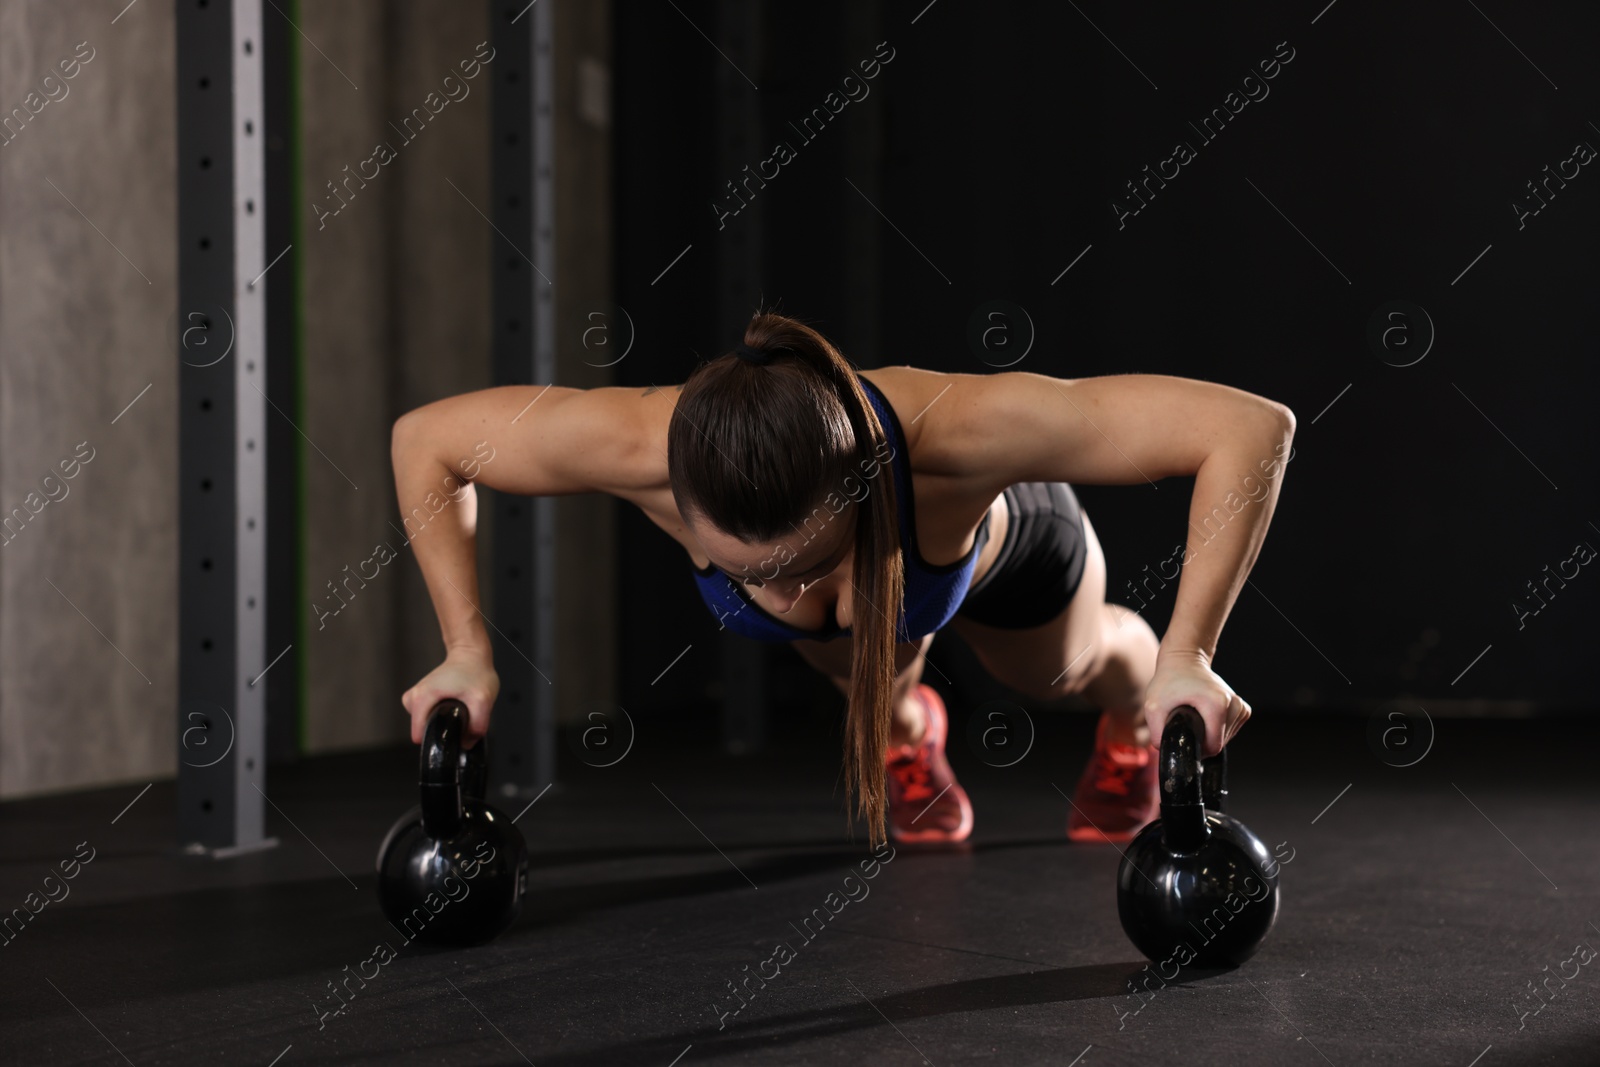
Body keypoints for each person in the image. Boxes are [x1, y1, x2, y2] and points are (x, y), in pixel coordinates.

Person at [391, 311, 1296, 846]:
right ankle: (910, 724)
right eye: (756, 579)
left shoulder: (964, 429)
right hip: (883, 612)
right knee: (856, 653)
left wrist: (1191, 654)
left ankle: (1131, 715)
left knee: (1065, 669)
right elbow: (425, 442)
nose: (782, 598)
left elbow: (1249, 429)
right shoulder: (630, 445)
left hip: (1006, 551)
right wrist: (466, 650)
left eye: (810, 562)